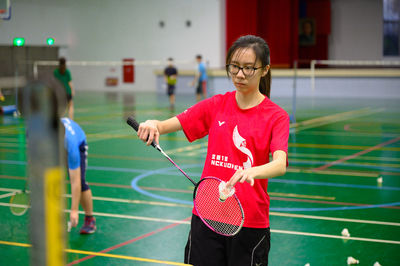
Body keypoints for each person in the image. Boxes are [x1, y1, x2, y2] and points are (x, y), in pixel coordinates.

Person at [137, 35, 289, 266]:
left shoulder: (276, 116)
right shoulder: (217, 105)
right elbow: (167, 124)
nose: (239, 74)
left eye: (249, 68)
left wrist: (253, 172)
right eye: (234, 67)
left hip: (249, 224)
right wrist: (153, 124)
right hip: (207, 219)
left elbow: (280, 164)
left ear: (265, 69)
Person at [61, 117, 96, 234]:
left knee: (80, 181)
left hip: (79, 141)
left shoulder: (71, 145)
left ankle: (90, 219)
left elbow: (75, 182)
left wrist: (74, 210)